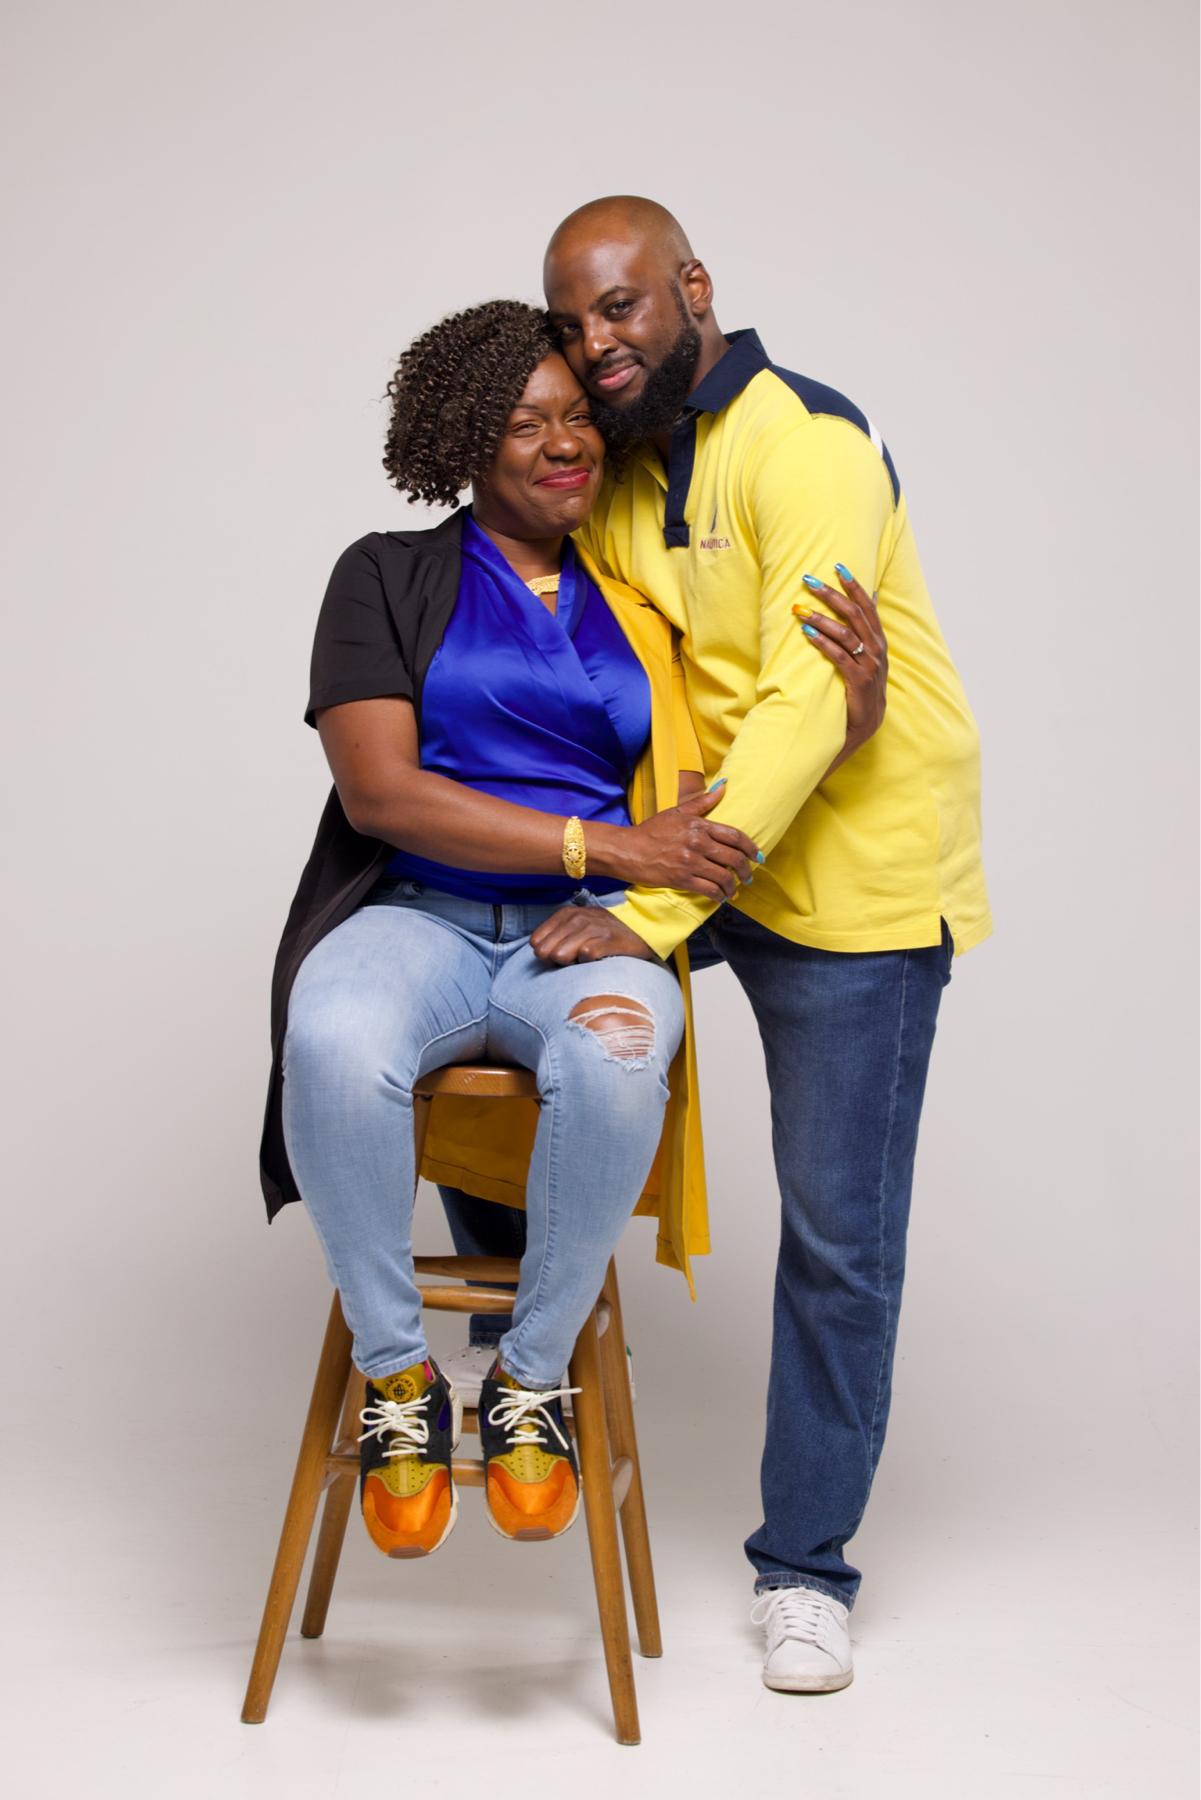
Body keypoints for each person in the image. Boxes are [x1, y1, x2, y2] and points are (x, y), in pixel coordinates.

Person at [442, 198, 991, 1694]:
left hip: (853, 877)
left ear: (693, 287)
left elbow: (810, 703)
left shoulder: (809, 443)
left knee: (835, 1237)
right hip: (696, 848)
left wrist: (649, 899)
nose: (595, 343)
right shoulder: (616, 467)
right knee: (490, 999)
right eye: (572, 322)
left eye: (620, 307)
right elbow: (552, 598)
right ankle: (522, 1332)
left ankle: (805, 1572)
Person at [258, 301, 885, 1562]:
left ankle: (530, 1378)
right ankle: (397, 1379)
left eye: (576, 417)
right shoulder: (384, 574)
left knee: (617, 1057)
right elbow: (380, 793)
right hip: (419, 919)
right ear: (463, 445)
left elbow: (747, 747)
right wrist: (607, 845)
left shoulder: (646, 587)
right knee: (329, 1040)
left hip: (589, 935)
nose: (563, 442)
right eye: (522, 423)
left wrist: (848, 716)